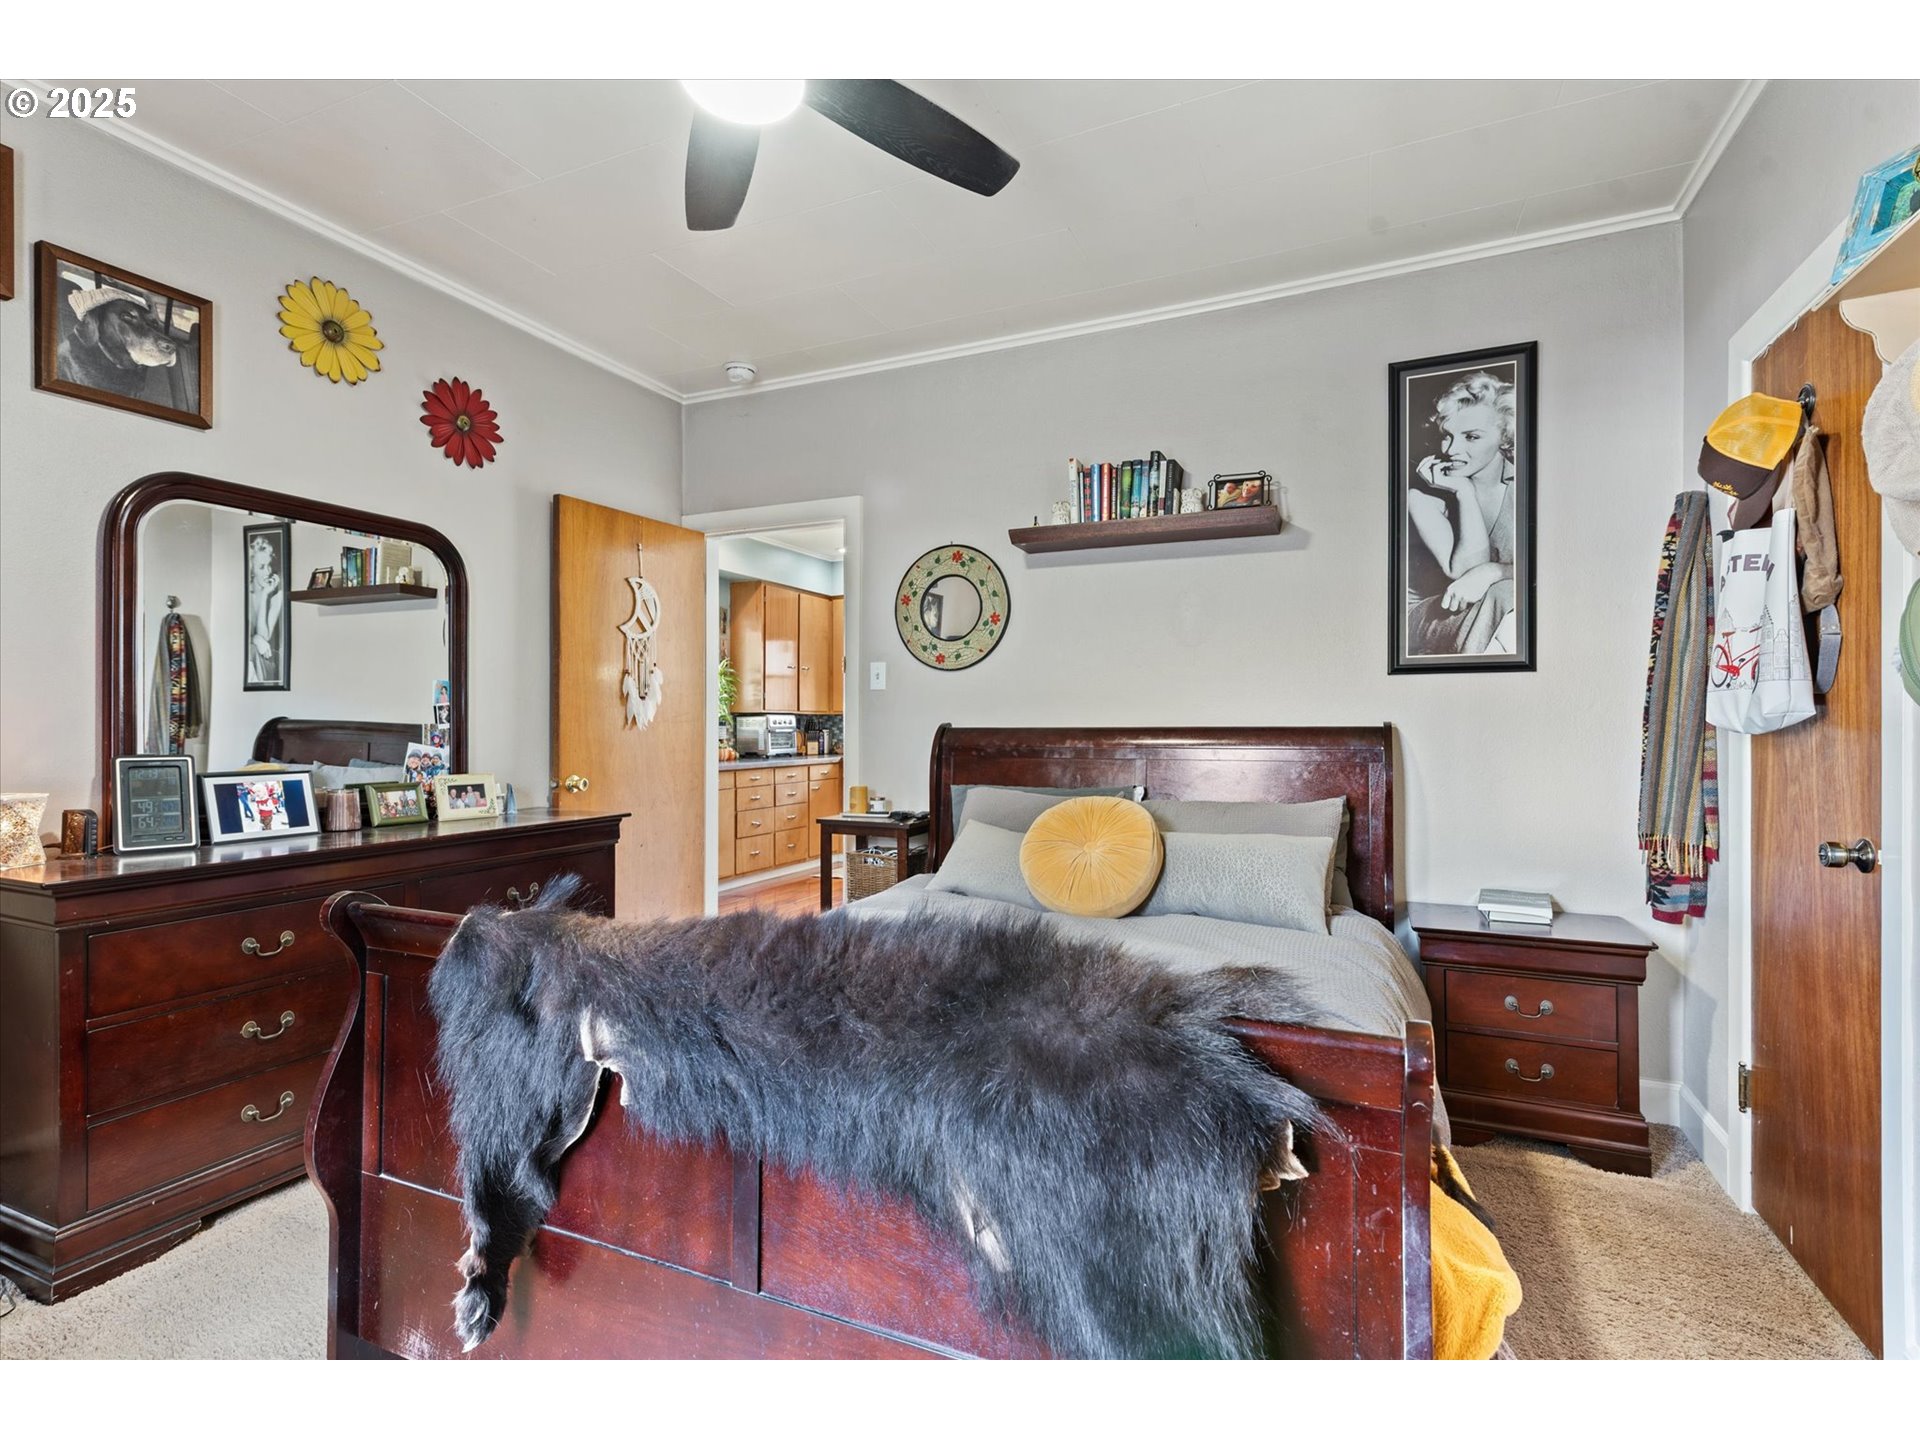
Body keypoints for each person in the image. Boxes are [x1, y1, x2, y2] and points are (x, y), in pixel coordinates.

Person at [1405, 371, 1519, 656]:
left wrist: (1493, 571)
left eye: (1471, 437)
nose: (1453, 449)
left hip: (1500, 601)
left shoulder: (1525, 487)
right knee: (1507, 594)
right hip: (1429, 615)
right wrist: (1464, 492)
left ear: (1506, 436)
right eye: (1447, 436)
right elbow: (1465, 575)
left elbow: (1543, 572)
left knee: (1517, 596)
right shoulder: (1422, 498)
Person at [246, 535, 284, 684]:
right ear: (252, 570)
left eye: (269, 565)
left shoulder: (277, 596)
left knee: (255, 652)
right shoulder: (244, 595)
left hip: (265, 659)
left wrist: (264, 596)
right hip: (250, 658)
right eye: (261, 567)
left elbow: (264, 636)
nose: (268, 572)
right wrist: (254, 639)